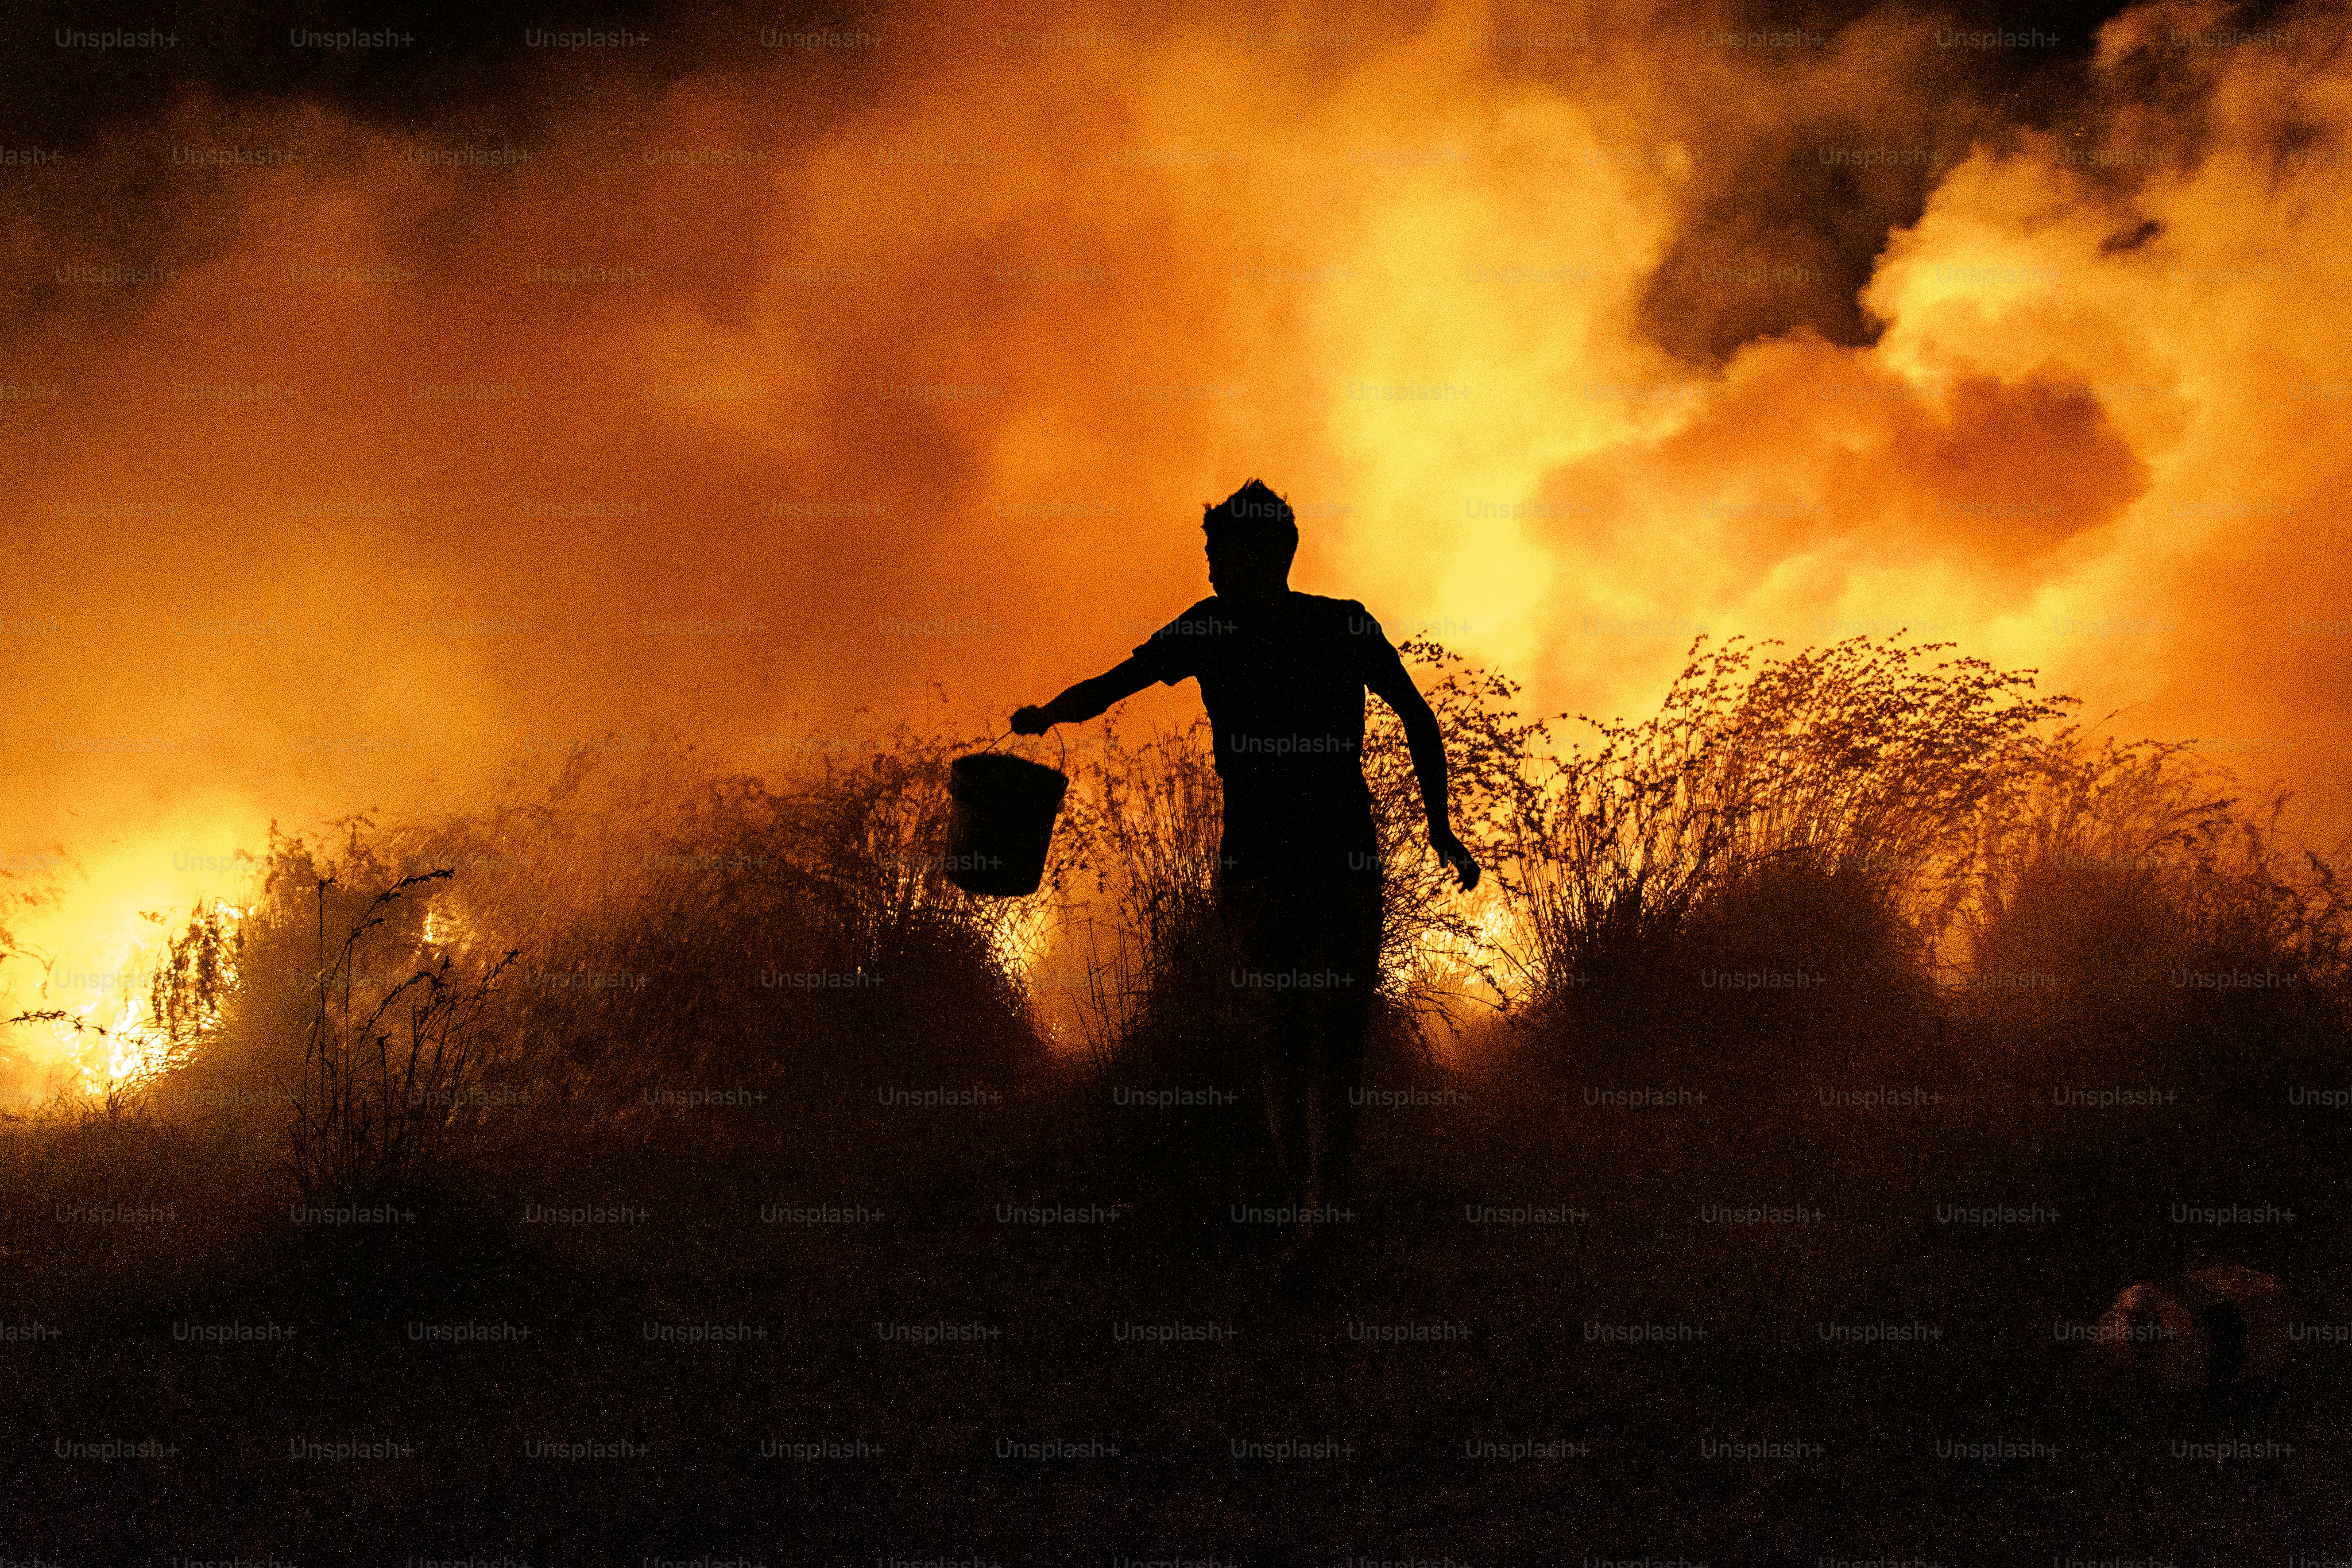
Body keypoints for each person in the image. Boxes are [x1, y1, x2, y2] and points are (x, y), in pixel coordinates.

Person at [1011, 479, 1479, 1284]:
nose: (1209, 567)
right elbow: (1417, 716)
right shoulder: (1343, 622)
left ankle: (1308, 1211)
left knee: (1283, 1037)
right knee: (1332, 1040)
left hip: (1266, 860)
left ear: (1247, 554)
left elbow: (1112, 686)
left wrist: (1045, 716)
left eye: (1215, 552)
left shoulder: (1216, 625)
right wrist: (1440, 828)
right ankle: (1318, 1212)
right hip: (1340, 853)